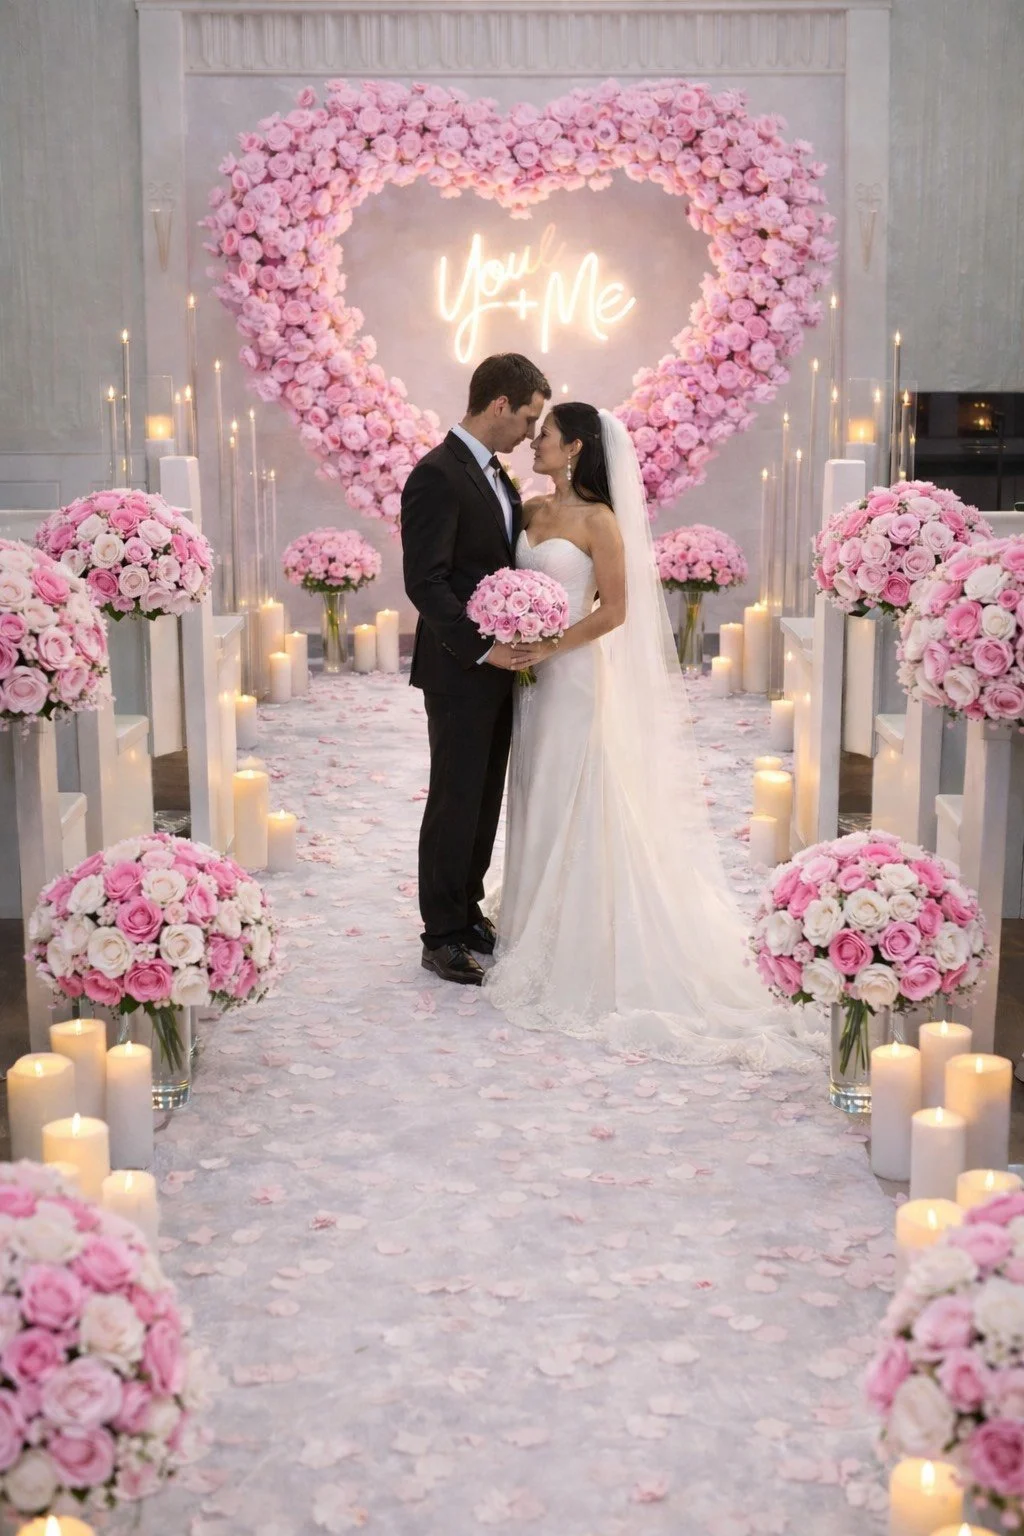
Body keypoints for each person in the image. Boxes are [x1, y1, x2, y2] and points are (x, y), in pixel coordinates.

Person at [485, 402, 823, 1070]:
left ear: (575, 447)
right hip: (527, 677)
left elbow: (615, 611)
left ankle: (578, 929)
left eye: (545, 435)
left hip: (571, 675)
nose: (534, 443)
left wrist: (549, 644)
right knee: (532, 785)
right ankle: (527, 920)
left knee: (571, 786)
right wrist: (512, 628)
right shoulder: (528, 509)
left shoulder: (600, 521)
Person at [401, 352, 551, 985]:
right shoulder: (438, 474)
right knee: (455, 797)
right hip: (460, 667)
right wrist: (484, 648)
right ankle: (440, 934)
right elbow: (426, 582)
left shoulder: (494, 473)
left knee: (485, 795)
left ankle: (466, 911)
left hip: (498, 666)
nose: (531, 433)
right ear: (499, 405)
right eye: (528, 417)